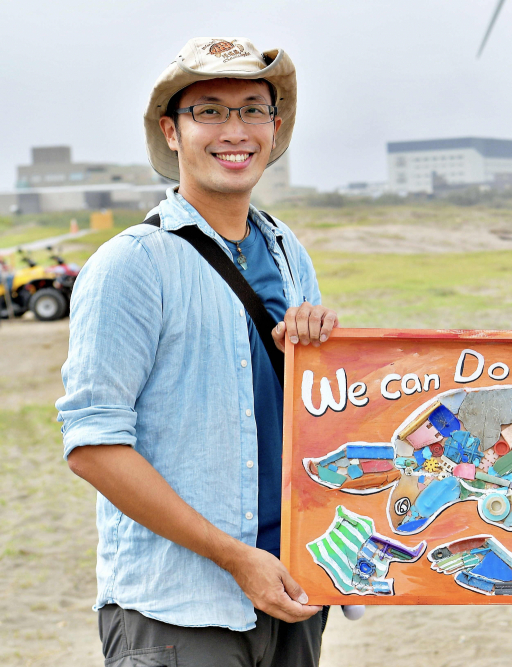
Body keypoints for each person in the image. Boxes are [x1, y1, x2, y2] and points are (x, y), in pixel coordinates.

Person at [56, 38, 356, 666]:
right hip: (180, 611)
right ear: (172, 131)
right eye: (210, 111)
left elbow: (316, 417)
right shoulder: (131, 264)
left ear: (275, 129)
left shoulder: (285, 251)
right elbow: (93, 447)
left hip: (295, 589)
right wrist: (234, 558)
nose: (235, 130)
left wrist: (324, 348)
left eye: (252, 109)